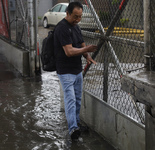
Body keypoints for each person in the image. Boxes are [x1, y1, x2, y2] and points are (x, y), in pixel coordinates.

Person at [54, 2, 97, 140]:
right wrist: (86, 50)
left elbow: (82, 45)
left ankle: (76, 124)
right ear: (67, 13)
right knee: (70, 99)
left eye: (80, 17)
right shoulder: (62, 28)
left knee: (78, 99)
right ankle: (73, 129)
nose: (77, 20)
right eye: (75, 16)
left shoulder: (76, 27)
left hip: (77, 70)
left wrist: (88, 56)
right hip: (65, 71)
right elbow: (69, 51)